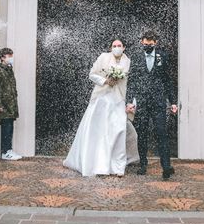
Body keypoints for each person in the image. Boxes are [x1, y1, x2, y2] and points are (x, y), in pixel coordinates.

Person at [64, 39, 139, 176]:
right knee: (100, 132)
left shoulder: (127, 61)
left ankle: (117, 166)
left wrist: (130, 102)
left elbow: (131, 82)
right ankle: (99, 164)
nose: (116, 48)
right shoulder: (103, 57)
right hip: (102, 99)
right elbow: (92, 74)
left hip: (118, 100)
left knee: (119, 131)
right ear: (111, 47)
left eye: (119, 46)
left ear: (124, 48)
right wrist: (106, 81)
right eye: (114, 46)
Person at [125, 30, 177, 179]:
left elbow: (167, 80)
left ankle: (166, 166)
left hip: (159, 101)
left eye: (151, 43)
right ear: (141, 42)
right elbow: (132, 81)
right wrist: (129, 101)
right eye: (146, 43)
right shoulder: (135, 57)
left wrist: (172, 102)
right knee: (142, 134)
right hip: (142, 102)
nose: (148, 45)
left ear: (156, 43)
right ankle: (143, 164)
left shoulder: (163, 56)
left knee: (161, 133)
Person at [0, 48, 22, 161]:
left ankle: (8, 150)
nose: (11, 58)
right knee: (6, 127)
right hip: (4, 104)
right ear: (2, 57)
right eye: (9, 56)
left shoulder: (9, 69)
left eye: (11, 55)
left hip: (11, 103)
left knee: (10, 127)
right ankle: (5, 151)